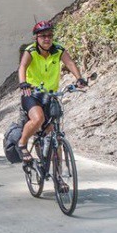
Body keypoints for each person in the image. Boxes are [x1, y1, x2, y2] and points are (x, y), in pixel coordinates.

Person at [16, 21, 88, 163]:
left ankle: (59, 176)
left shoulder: (59, 50)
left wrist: (79, 78)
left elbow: (70, 63)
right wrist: (23, 83)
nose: (47, 39)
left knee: (54, 133)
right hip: (32, 94)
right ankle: (22, 143)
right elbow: (22, 66)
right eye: (43, 36)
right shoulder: (31, 51)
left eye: (49, 35)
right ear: (36, 38)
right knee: (38, 119)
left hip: (51, 95)